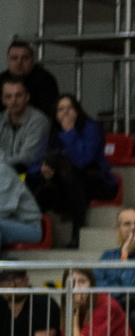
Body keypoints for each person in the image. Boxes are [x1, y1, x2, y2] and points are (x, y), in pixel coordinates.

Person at [35, 94, 119, 245]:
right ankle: (34, 234)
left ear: (78, 110)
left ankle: (77, 232)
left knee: (75, 176)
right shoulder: (53, 131)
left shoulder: (91, 127)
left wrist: (70, 132)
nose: (66, 112)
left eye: (70, 108)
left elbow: (82, 160)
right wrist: (44, 168)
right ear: (55, 114)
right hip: (68, 183)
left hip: (99, 181)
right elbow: (41, 158)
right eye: (61, 109)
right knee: (37, 181)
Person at [95, 206, 135, 291]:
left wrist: (125, 253)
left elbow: (130, 288)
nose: (133, 228)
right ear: (117, 229)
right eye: (127, 224)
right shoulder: (107, 257)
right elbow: (98, 287)